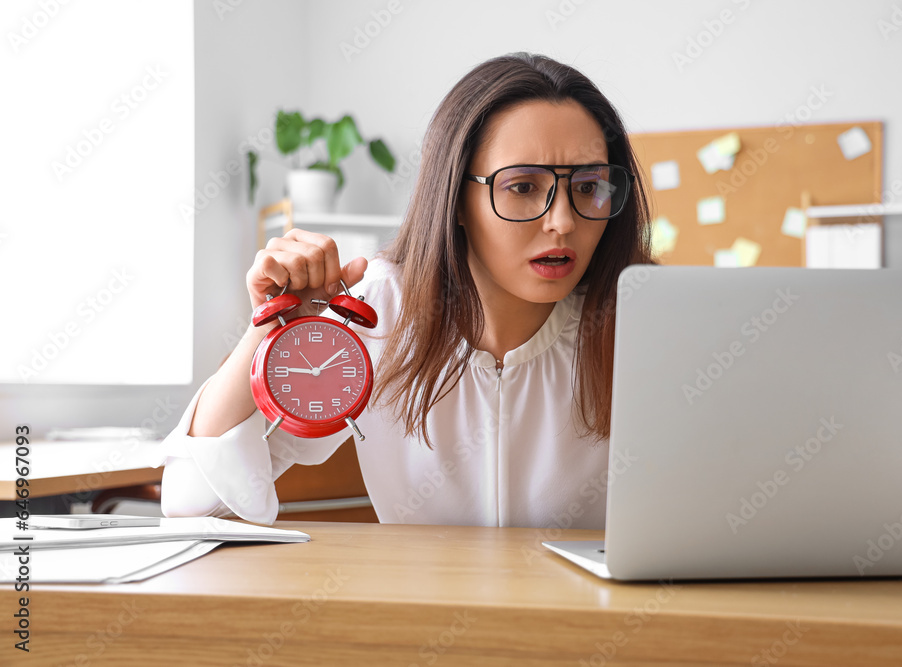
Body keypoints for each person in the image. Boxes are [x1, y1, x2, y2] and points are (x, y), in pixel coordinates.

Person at [156, 52, 652, 528]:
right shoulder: (375, 316)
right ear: (454, 197)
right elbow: (191, 503)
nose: (562, 222)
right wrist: (272, 330)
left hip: (583, 616)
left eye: (588, 186)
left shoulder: (645, 324)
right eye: (522, 187)